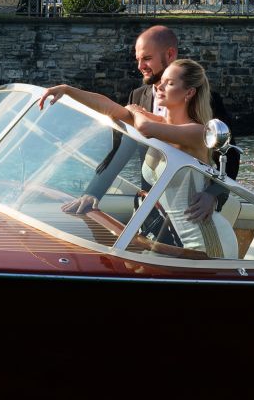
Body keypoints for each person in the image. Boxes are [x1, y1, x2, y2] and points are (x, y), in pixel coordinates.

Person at [39, 59, 228, 255]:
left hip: (202, 241)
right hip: (169, 240)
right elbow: (109, 107)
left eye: (170, 83)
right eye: (161, 81)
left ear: (189, 92)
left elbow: (145, 128)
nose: (160, 86)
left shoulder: (197, 131)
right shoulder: (154, 121)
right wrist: (68, 90)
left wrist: (135, 111)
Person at [126, 25, 234, 222]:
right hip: (150, 210)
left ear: (170, 54)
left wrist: (213, 194)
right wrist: (93, 193)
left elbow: (230, 155)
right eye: (138, 59)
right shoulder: (137, 95)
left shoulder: (209, 101)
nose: (140, 66)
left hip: (189, 213)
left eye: (147, 58)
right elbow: (121, 146)